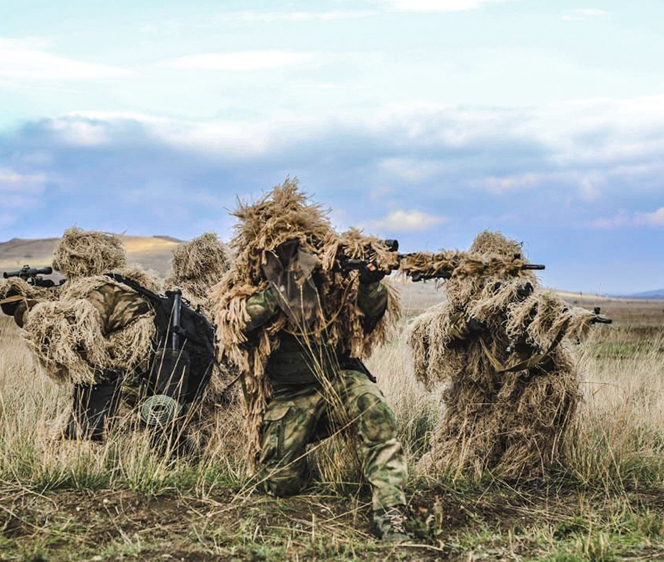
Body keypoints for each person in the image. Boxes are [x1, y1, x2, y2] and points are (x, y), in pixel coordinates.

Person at [212, 179, 411, 541]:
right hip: (291, 394)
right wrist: (286, 287)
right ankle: (311, 468)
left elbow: (367, 317)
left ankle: (390, 510)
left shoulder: (331, 277)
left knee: (376, 412)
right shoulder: (250, 279)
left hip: (338, 380)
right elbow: (236, 321)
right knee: (279, 484)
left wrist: (369, 284)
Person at [407, 231, 610, 480]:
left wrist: (570, 318)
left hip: (519, 392)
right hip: (476, 398)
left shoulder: (526, 300)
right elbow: (428, 331)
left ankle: (521, 471)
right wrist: (467, 326)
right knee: (457, 458)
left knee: (546, 401)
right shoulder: (461, 306)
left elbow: (548, 322)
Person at [7, 228, 218, 444]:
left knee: (96, 380)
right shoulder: (127, 283)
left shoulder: (102, 291)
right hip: (152, 374)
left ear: (78, 262)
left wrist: (27, 310)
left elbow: (68, 333)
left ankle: (89, 442)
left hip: (137, 378)